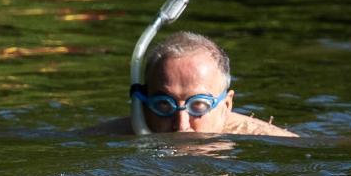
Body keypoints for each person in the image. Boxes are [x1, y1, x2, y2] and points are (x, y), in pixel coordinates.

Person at [98, 31, 297, 137]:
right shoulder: (112, 136)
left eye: (198, 105)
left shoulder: (266, 139)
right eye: (164, 104)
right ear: (142, 106)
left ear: (226, 105)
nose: (181, 125)